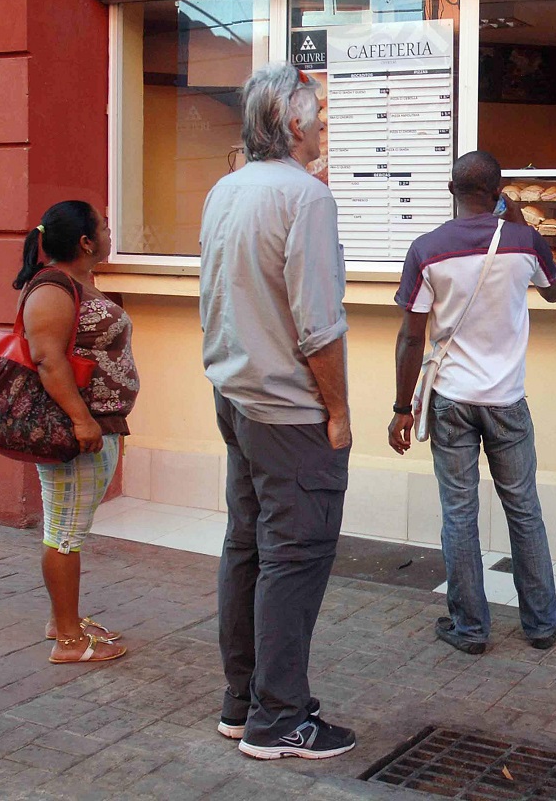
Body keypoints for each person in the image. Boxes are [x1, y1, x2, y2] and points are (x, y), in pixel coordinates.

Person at [200, 63, 355, 761]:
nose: (323, 124)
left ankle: (247, 701)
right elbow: (318, 325)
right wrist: (339, 411)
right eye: (317, 113)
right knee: (292, 558)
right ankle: (279, 718)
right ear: (293, 124)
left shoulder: (225, 190)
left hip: (235, 398)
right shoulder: (306, 198)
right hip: (289, 413)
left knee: (249, 548)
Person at [389, 150, 556, 655]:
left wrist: (404, 407)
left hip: (452, 400)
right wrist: (521, 219)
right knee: (524, 509)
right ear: (499, 189)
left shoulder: (427, 249)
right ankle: (541, 624)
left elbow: (411, 337)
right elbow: (554, 292)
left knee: (459, 513)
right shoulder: (522, 241)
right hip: (507, 399)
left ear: (451, 190)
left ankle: (469, 629)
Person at [13, 201, 138, 666]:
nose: (109, 233)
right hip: (76, 432)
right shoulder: (52, 287)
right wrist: (81, 419)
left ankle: (63, 619)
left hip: (95, 427)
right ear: (86, 242)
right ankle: (68, 639)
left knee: (66, 526)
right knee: (65, 532)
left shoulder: (77, 284)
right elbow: (47, 357)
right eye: (104, 227)